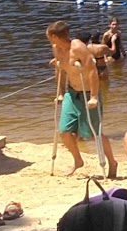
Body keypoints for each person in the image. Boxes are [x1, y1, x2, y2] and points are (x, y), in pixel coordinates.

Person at [47, 20, 110, 176]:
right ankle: (78, 161)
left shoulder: (78, 47)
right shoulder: (56, 48)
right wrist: (61, 93)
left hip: (88, 93)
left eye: (48, 36)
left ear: (54, 36)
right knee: (64, 131)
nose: (48, 39)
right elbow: (60, 70)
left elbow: (92, 71)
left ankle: (112, 162)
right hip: (72, 93)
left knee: (95, 133)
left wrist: (94, 97)